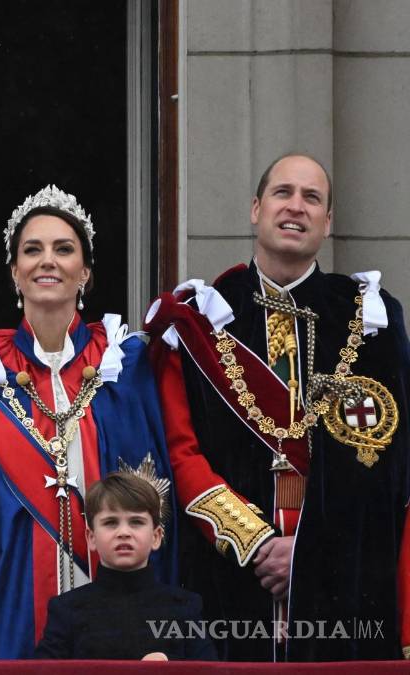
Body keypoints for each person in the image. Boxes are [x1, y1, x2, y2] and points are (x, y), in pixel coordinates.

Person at [144, 154, 410, 661]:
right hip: (228, 577)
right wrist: (257, 544)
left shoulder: (371, 317)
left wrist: (309, 551)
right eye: (283, 193)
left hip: (342, 585)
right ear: (255, 208)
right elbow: (182, 453)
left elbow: (389, 466)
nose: (296, 207)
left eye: (312, 198)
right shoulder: (202, 317)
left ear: (328, 222)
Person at [0, 185, 179, 659]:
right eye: (32, 250)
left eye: (64, 249)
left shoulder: (127, 361)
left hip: (115, 581)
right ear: (15, 273)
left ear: (86, 272)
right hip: (13, 583)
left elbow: (157, 479)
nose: (47, 261)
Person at [34, 470, 215, 660]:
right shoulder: (67, 610)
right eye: (111, 522)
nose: (124, 532)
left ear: (156, 537)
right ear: (91, 537)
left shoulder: (184, 608)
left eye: (136, 522)